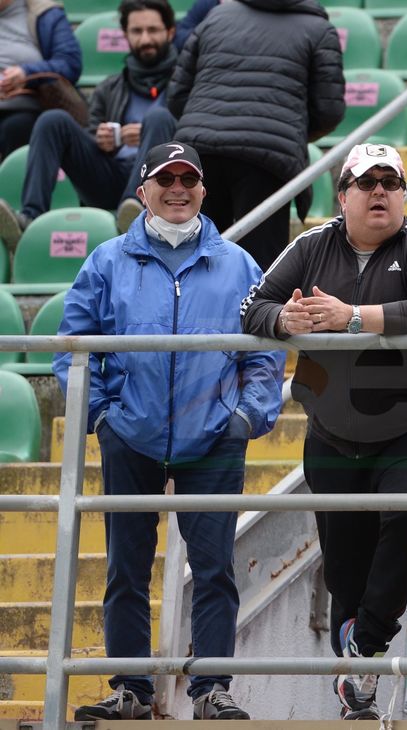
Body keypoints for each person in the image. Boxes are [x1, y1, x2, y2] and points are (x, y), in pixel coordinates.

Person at [52, 142, 285, 721]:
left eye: (189, 178)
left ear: (204, 190)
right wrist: (103, 418)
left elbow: (264, 357)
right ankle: (131, 686)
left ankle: (211, 688)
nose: (177, 188)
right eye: (165, 178)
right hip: (131, 437)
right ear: (143, 191)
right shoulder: (106, 261)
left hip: (213, 439)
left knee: (214, 571)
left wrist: (245, 419)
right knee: (125, 570)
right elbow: (71, 352)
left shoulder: (239, 264)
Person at [240, 143, 407, 721]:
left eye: (391, 182)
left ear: (404, 194)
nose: (380, 191)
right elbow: (249, 306)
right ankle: (354, 677)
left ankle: (368, 646)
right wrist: (283, 319)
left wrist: (352, 318)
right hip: (333, 430)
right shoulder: (311, 246)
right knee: (344, 569)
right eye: (367, 182)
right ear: (343, 196)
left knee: (405, 524)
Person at [167, 0, 345, 271]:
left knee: (196, 262)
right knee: (261, 269)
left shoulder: (217, 15)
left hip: (199, 154)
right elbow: (329, 111)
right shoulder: (320, 29)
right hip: (267, 159)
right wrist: (286, 131)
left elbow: (178, 95)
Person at [0, 0, 180, 251]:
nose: (145, 39)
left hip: (164, 180)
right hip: (110, 176)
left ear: (170, 32)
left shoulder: (186, 85)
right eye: (137, 31)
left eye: (153, 30)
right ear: (126, 35)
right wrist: (105, 139)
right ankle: (28, 218)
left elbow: (197, 134)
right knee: (53, 120)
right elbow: (91, 132)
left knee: (158, 118)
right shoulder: (109, 86)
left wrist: (151, 136)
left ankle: (135, 209)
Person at [0, 0, 81, 158]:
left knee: (17, 127)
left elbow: (70, 63)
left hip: (27, 105)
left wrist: (26, 73)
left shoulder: (44, 13)